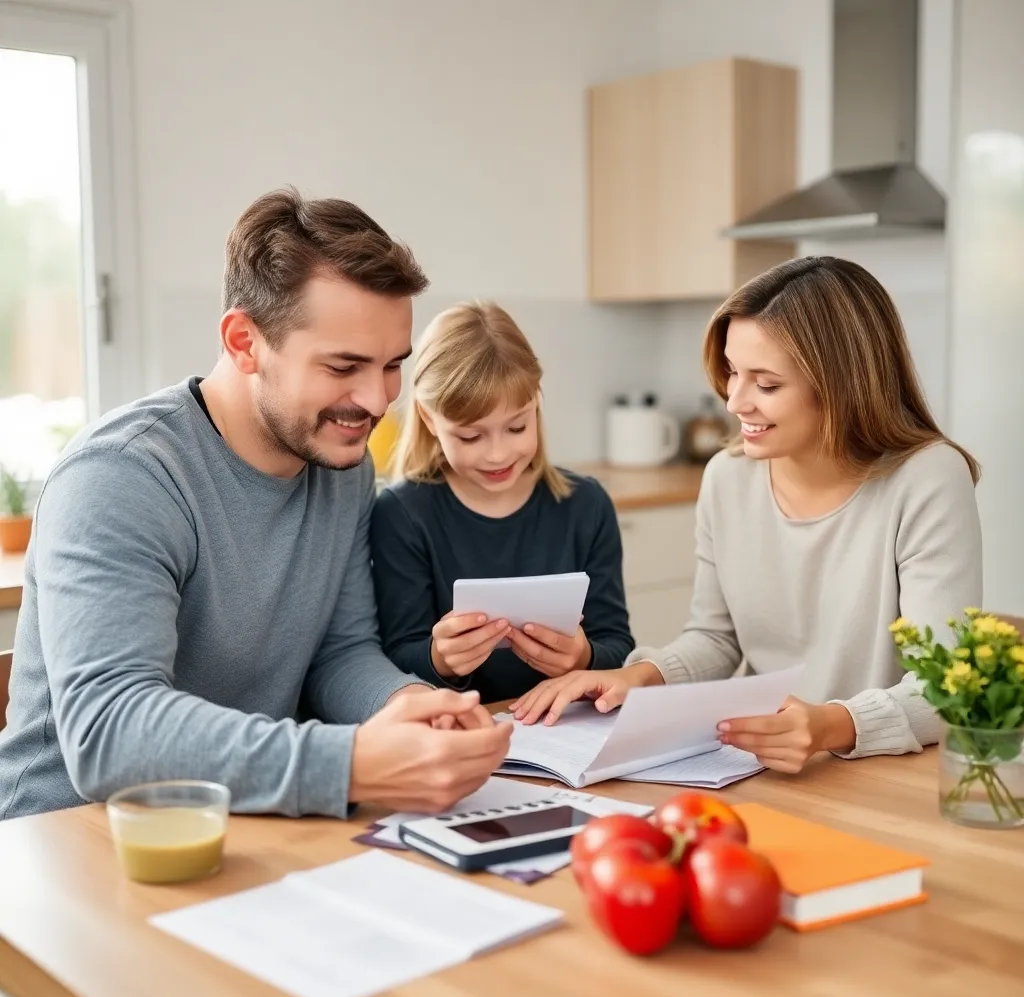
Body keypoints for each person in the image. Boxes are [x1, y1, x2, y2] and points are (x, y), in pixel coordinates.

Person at [0, 187, 512, 821]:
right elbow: (109, 733)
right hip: (66, 846)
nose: (380, 402)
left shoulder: (343, 465)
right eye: (344, 366)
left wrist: (408, 709)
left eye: (391, 367)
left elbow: (339, 652)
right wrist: (353, 763)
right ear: (244, 341)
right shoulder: (121, 477)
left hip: (239, 824)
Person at [510, 256, 983, 773]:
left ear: (843, 385)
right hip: (761, 766)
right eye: (733, 372)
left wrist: (829, 725)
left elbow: (943, 688)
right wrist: (638, 678)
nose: (734, 401)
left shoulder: (927, 478)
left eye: (767, 383)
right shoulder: (727, 477)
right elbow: (717, 640)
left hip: (883, 770)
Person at [370, 301, 634, 703]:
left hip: (566, 731)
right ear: (428, 419)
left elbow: (618, 645)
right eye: (471, 436)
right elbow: (396, 658)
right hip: (462, 733)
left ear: (536, 403)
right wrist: (439, 659)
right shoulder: (402, 515)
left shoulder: (587, 505)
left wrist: (584, 656)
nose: (497, 454)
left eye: (516, 426)